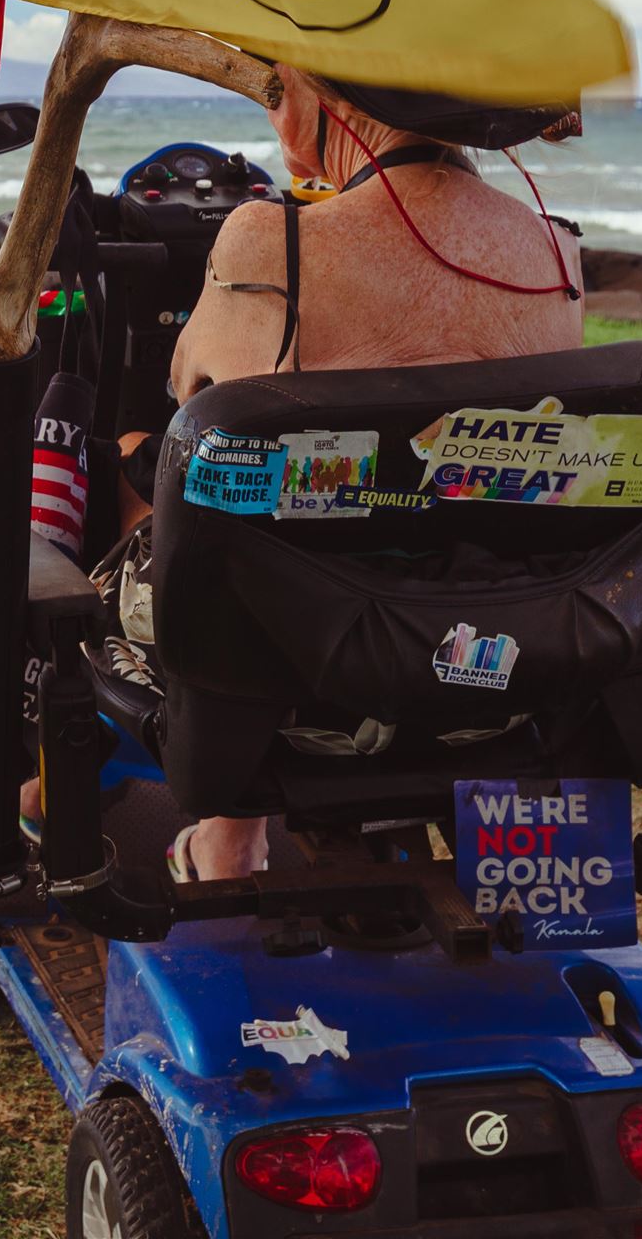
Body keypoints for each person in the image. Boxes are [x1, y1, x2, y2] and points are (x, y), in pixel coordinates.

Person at [48, 63, 583, 882]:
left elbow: (195, 413)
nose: (275, 123)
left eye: (276, 95)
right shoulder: (558, 249)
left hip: (299, 659)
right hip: (503, 652)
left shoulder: (273, 239)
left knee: (191, 514)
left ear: (326, 100)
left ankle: (215, 836)